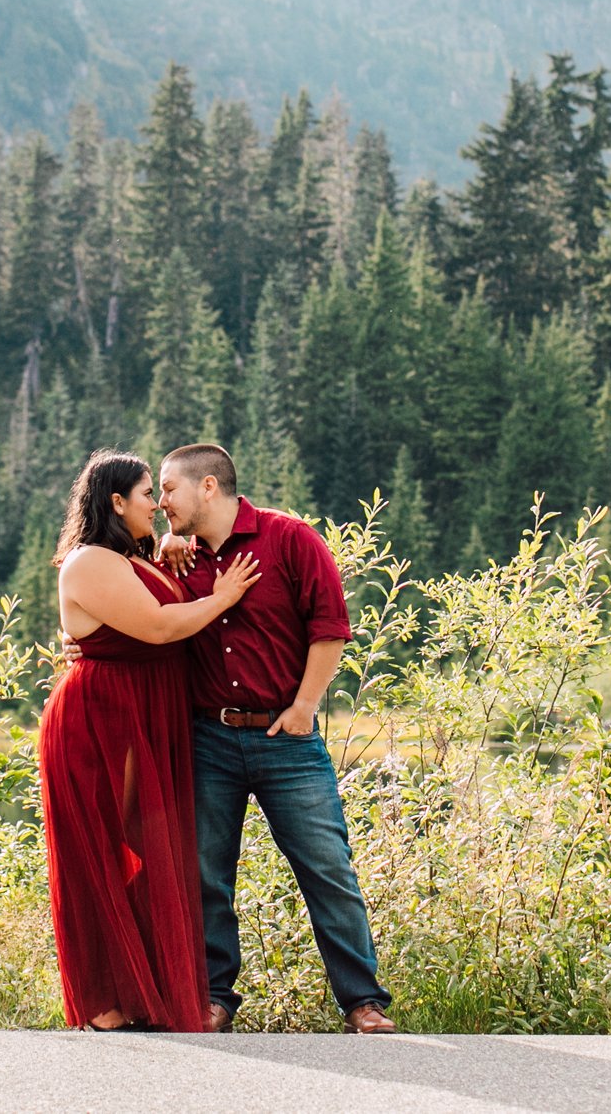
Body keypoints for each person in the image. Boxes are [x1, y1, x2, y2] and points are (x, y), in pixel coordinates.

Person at [156, 442, 396, 1035]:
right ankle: (212, 1000)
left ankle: (363, 1003)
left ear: (207, 487)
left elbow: (330, 626)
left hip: (287, 738)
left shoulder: (291, 540)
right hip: (209, 738)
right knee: (207, 874)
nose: (162, 503)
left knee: (327, 867)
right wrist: (160, 547)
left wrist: (305, 707)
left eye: (168, 490)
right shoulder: (181, 559)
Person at [39, 450, 262, 1032]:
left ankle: (142, 989)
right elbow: (161, 626)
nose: (159, 505)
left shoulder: (132, 557)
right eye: (147, 495)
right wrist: (223, 598)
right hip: (104, 719)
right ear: (116, 502)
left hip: (146, 713)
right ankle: (107, 999)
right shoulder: (88, 562)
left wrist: (166, 551)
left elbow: (158, 599)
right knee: (107, 854)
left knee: (152, 847)